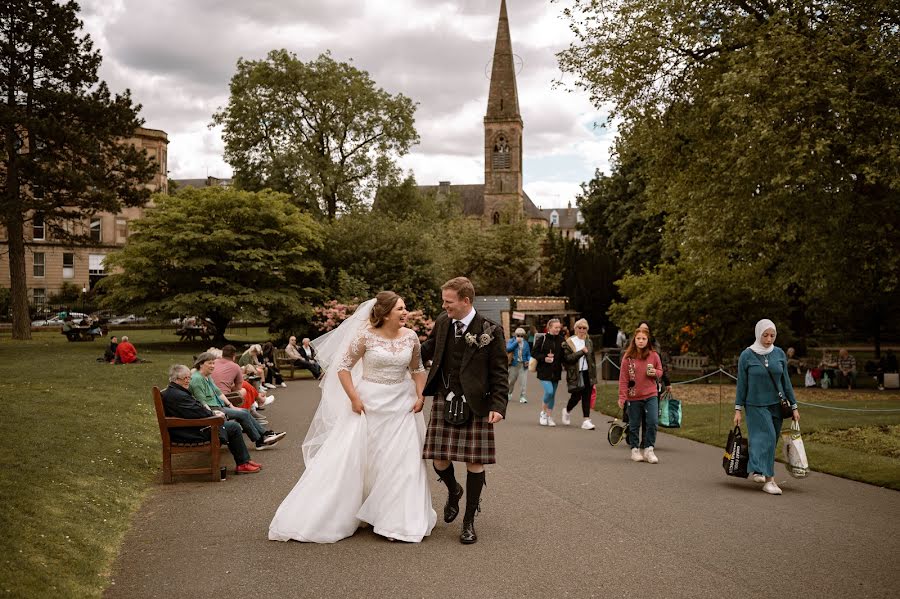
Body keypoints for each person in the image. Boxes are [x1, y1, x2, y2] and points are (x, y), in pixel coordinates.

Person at [269, 292, 436, 543]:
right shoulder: (366, 336)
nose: (405, 313)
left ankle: (395, 522)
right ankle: (345, 511)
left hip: (402, 404)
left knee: (402, 461)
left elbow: (418, 369)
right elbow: (343, 368)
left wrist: (421, 395)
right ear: (386, 312)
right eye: (400, 309)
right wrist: (354, 398)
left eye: (406, 308)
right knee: (361, 458)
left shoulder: (411, 337)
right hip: (369, 403)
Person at [420, 277, 508, 545]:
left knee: (475, 462)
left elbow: (499, 371)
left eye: (449, 302)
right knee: (438, 459)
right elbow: (426, 349)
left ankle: (469, 521)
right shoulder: (443, 322)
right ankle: (453, 490)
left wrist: (499, 405)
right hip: (444, 398)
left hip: (476, 402)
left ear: (465, 301)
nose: (444, 306)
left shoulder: (490, 329)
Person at [734, 319, 799, 495]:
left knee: (770, 439)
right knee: (768, 436)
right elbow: (742, 384)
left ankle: (758, 469)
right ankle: (769, 480)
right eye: (765, 335)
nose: (769, 339)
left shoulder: (779, 354)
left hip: (777, 405)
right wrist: (738, 409)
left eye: (772, 335)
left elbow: (786, 382)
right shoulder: (746, 355)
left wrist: (794, 406)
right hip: (755, 404)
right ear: (758, 334)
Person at [160, 364, 261, 474]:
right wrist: (213, 414)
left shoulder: (175, 391)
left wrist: (212, 413)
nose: (188, 381)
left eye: (189, 377)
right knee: (233, 427)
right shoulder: (178, 395)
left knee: (230, 424)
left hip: (187, 429)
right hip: (190, 432)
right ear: (175, 379)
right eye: (185, 378)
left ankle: (245, 461)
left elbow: (194, 411)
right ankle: (243, 463)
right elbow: (197, 412)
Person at [190, 352, 285, 451]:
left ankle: (264, 437)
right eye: (210, 363)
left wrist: (231, 406)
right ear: (201, 364)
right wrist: (213, 415)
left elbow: (218, 393)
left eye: (214, 363)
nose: (213, 366)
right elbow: (202, 402)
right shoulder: (197, 379)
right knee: (243, 414)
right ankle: (261, 439)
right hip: (213, 410)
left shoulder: (207, 376)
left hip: (218, 407)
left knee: (243, 412)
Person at [618, 328, 663, 463]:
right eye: (639, 338)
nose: (641, 341)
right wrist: (622, 396)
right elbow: (623, 378)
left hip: (651, 394)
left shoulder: (654, 355)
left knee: (653, 421)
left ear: (648, 340)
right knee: (634, 424)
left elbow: (660, 371)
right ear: (634, 340)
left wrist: (655, 372)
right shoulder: (628, 357)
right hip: (634, 396)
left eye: (644, 339)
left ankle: (649, 449)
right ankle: (635, 450)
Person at [562, 318, 597, 430]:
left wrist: (594, 377)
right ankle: (567, 410)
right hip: (575, 373)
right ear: (575, 329)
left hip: (588, 372)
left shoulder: (589, 341)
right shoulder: (569, 342)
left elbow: (592, 359)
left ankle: (586, 420)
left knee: (586, 396)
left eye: (584, 328)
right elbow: (568, 359)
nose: (582, 330)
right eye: (579, 327)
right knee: (576, 396)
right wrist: (582, 352)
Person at [532, 318, 564, 426]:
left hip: (556, 371)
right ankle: (543, 413)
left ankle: (550, 416)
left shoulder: (561, 340)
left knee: (553, 395)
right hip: (544, 371)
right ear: (549, 328)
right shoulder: (542, 339)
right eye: (556, 327)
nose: (558, 329)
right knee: (549, 391)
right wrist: (544, 358)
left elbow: (564, 356)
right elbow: (534, 353)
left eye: (559, 327)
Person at [506, 327, 531, 404]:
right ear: (515, 335)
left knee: (523, 382)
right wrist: (516, 342)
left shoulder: (526, 343)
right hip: (514, 364)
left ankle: (522, 397)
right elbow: (508, 349)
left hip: (523, 365)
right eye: (518, 335)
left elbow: (528, 354)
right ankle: (509, 393)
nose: (520, 337)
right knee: (511, 381)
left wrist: (528, 360)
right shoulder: (511, 341)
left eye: (522, 336)